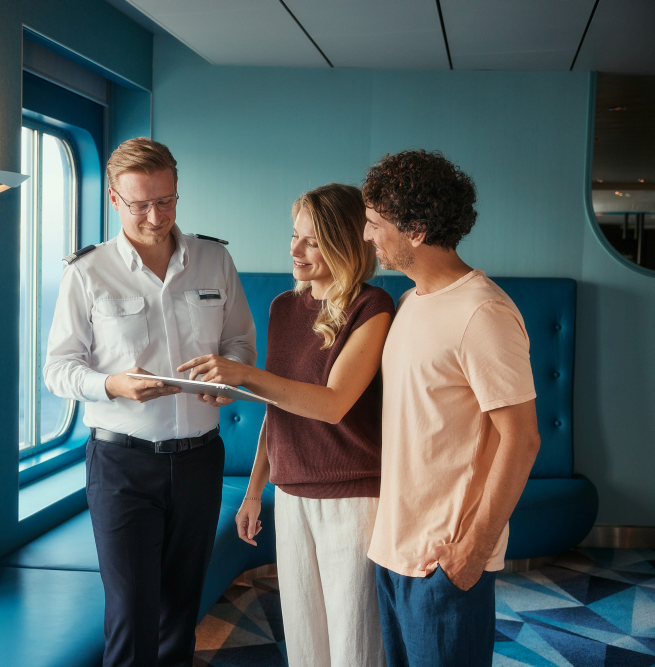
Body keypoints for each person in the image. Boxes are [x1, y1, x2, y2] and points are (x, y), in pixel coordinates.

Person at [42, 137, 256, 667]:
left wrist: (222, 375)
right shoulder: (86, 273)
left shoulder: (215, 259)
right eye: (140, 204)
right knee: (131, 616)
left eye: (166, 201)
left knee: (181, 614)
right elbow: (58, 370)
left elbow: (241, 343)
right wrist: (114, 384)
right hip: (122, 465)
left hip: (201, 459)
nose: (155, 216)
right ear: (115, 199)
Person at [178, 184, 393, 667]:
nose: (294, 250)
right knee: (305, 646)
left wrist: (247, 376)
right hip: (292, 497)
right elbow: (279, 407)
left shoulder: (373, 307)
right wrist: (255, 492)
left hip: (354, 500)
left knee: (355, 648)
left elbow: (333, 404)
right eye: (295, 236)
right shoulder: (282, 307)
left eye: (312, 241)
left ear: (346, 244)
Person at [361, 149, 540, 666]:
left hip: (444, 557)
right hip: (394, 549)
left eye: (375, 224)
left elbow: (522, 438)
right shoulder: (411, 300)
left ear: (416, 229)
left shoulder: (482, 312)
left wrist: (471, 551)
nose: (369, 235)